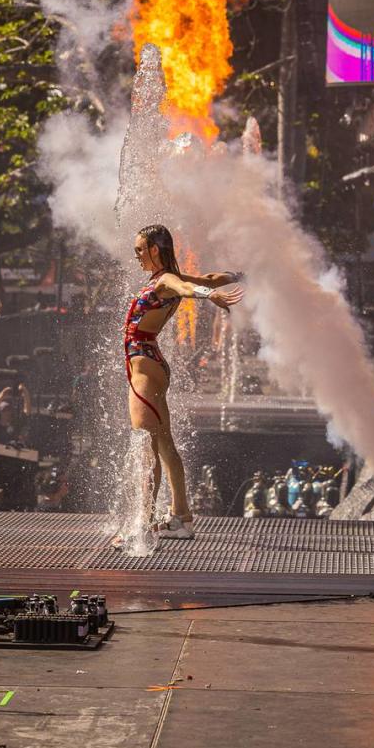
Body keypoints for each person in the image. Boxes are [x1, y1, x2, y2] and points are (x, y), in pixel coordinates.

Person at [121, 223, 244, 541]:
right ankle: (182, 517)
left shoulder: (166, 280)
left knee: (146, 447)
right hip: (151, 361)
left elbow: (195, 288)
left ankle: (143, 522)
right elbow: (207, 279)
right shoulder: (167, 278)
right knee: (164, 445)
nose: (136, 256)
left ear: (155, 249)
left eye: (139, 250)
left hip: (145, 366)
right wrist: (239, 275)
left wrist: (209, 295)